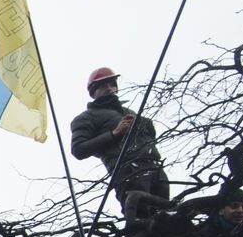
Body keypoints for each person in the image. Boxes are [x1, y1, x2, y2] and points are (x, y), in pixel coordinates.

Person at [70, 67, 169, 221]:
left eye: (112, 84)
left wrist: (147, 127)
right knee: (140, 220)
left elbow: (148, 138)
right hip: (128, 173)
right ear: (94, 91)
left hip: (154, 168)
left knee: (165, 216)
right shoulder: (86, 117)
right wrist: (114, 133)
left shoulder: (129, 111)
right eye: (103, 86)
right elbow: (79, 150)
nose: (109, 88)